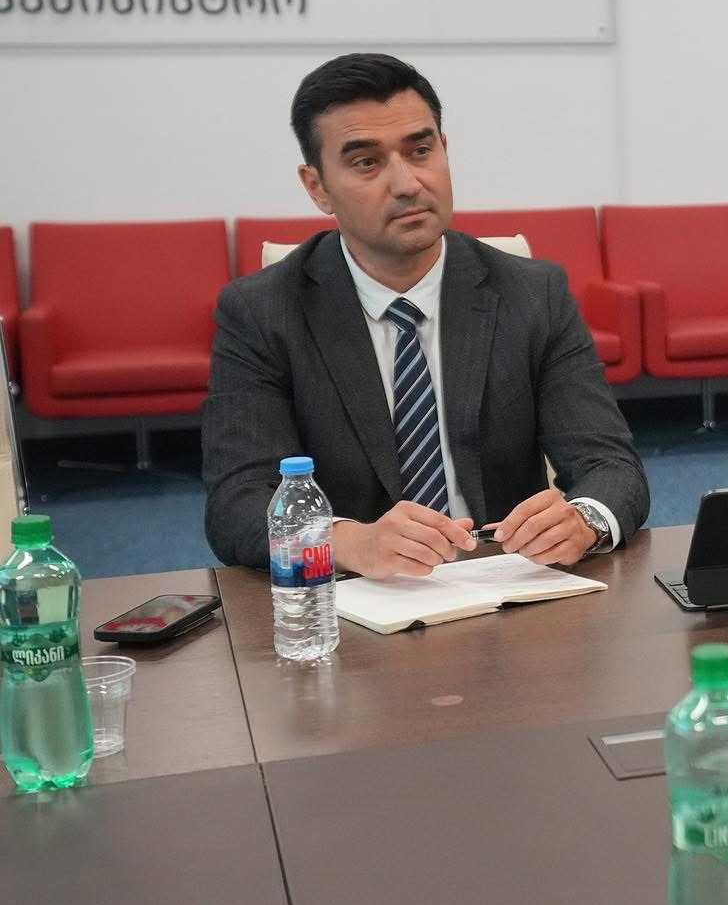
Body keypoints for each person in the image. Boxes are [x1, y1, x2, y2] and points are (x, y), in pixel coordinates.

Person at [202, 52, 650, 576]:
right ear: (317, 186)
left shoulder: (533, 293)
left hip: (506, 586)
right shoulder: (262, 312)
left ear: (445, 150)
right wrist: (346, 540)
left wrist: (584, 519)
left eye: (421, 150)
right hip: (358, 599)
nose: (407, 183)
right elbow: (237, 502)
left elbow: (611, 465)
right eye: (366, 162)